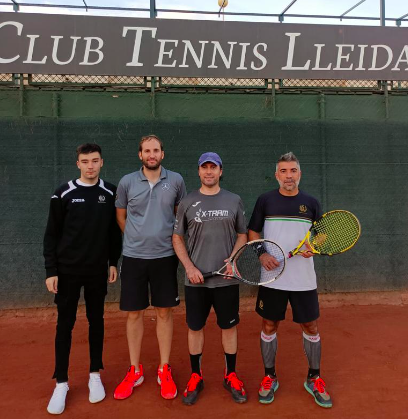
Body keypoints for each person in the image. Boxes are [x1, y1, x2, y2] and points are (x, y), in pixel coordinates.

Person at [248, 151, 332, 408]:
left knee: (311, 326)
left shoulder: (311, 203)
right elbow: (253, 231)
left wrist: (313, 246)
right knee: (269, 325)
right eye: (283, 171)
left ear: (299, 174)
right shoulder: (265, 201)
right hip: (272, 277)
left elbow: (321, 235)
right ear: (276, 175)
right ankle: (269, 377)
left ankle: (314, 378)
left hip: (303, 279)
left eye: (293, 171)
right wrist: (262, 254)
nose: (288, 176)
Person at [43, 143, 122, 415]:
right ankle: (61, 382)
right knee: (65, 324)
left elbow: (114, 233)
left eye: (95, 161)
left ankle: (94, 375)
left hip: (97, 271)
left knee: (96, 321)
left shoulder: (110, 192)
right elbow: (51, 235)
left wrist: (113, 262)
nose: (90, 166)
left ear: (102, 162)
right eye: (85, 161)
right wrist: (51, 270)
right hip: (66, 272)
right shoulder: (62, 193)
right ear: (78, 164)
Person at [114, 134, 186, 401]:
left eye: (156, 150)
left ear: (162, 154)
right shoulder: (127, 182)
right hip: (134, 258)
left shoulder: (176, 180)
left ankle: (164, 369)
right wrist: (137, 237)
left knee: (164, 312)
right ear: (140, 155)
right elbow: (121, 216)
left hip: (165, 257)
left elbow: (180, 215)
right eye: (147, 151)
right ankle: (135, 370)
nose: (152, 154)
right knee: (134, 314)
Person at [172, 152, 248, 406]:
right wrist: (189, 267)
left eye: (213, 167)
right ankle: (196, 376)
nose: (208, 171)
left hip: (227, 279)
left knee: (229, 327)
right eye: (204, 167)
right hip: (196, 281)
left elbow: (242, 234)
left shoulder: (234, 200)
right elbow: (177, 237)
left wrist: (233, 260)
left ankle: (230, 375)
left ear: (220, 171)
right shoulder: (187, 202)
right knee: (195, 328)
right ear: (198, 171)